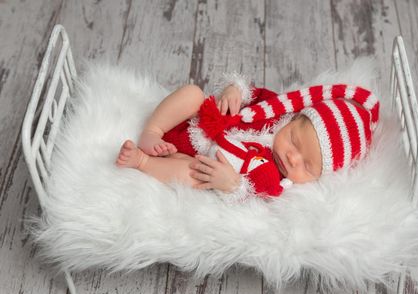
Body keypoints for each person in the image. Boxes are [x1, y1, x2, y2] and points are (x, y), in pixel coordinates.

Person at [115, 73, 379, 201]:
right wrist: (233, 92)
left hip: (196, 160)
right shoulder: (274, 109)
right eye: (295, 141)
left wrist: (230, 183)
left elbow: (249, 195)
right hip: (193, 125)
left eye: (308, 167)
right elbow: (249, 91)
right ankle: (153, 131)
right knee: (193, 94)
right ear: (296, 117)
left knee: (194, 177)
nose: (292, 158)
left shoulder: (274, 179)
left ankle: (143, 162)